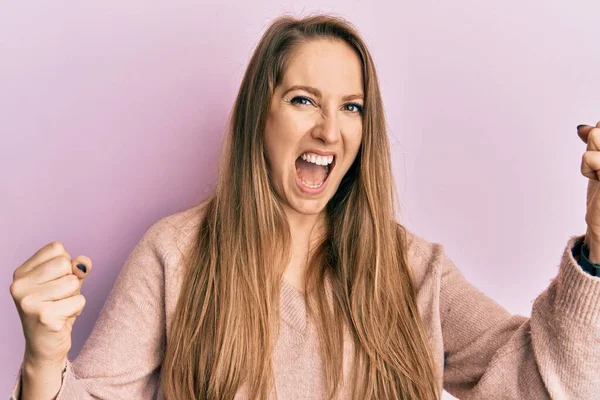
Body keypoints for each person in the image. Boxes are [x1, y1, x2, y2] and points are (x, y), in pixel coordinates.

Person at [8, 13, 600, 400]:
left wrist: (597, 253)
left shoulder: (413, 269)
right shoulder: (175, 254)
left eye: (351, 107)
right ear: (259, 116)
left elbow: (543, 384)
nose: (328, 130)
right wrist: (43, 356)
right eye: (302, 100)